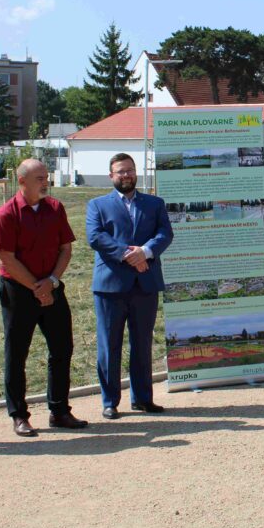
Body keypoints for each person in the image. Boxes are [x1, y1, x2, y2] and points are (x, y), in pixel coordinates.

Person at [0, 158, 87, 435]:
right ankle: (19, 415)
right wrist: (37, 287)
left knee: (62, 349)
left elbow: (65, 249)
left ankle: (59, 411)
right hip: (18, 291)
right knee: (17, 352)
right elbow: (7, 258)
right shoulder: (6, 214)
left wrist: (52, 282)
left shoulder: (55, 208)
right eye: (39, 179)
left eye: (46, 177)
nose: (46, 182)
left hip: (52, 284)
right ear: (22, 182)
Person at [86, 153, 174, 420]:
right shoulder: (97, 205)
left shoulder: (154, 203)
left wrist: (146, 252)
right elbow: (95, 236)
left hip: (145, 284)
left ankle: (143, 399)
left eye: (130, 171)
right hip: (110, 286)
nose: (126, 175)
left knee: (142, 344)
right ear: (111, 176)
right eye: (120, 172)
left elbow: (165, 233)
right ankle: (110, 401)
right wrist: (128, 254)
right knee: (109, 346)